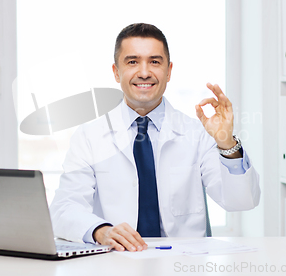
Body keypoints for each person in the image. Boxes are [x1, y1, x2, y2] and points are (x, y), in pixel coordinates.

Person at [50, 23, 260, 252]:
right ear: (116, 72)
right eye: (132, 61)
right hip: (116, 262)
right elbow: (64, 208)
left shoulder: (198, 133)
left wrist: (226, 141)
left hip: (183, 264)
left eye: (154, 61)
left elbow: (242, 201)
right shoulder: (89, 137)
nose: (144, 72)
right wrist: (102, 231)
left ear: (168, 71)